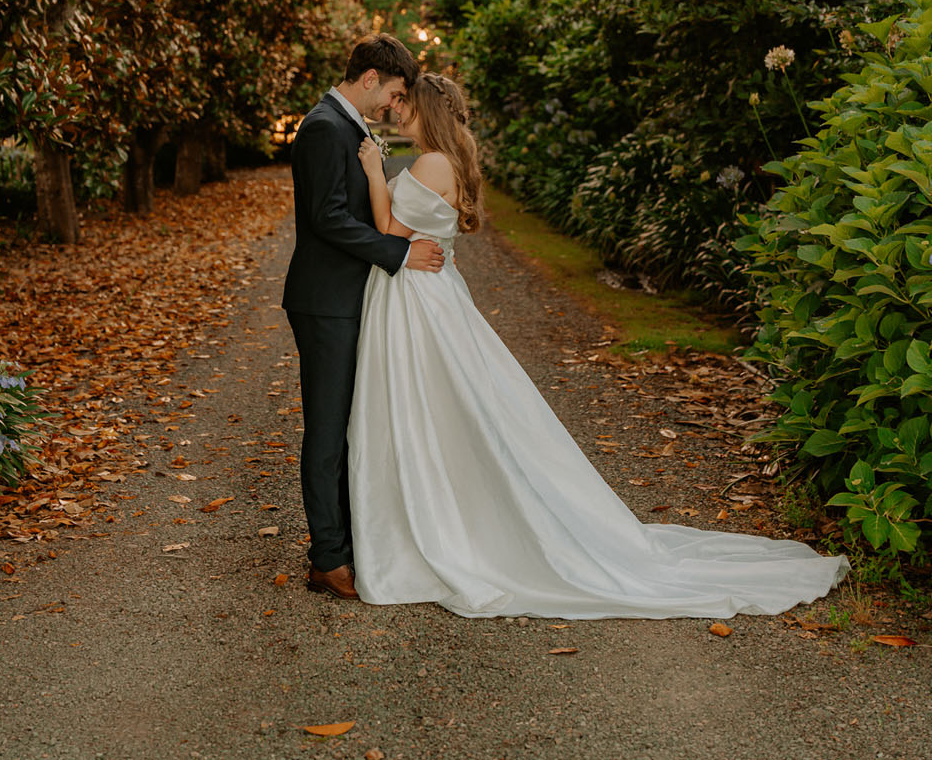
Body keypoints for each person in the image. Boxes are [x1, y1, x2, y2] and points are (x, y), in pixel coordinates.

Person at [349, 72, 850, 620]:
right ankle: (436, 510)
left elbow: (387, 227)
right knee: (444, 411)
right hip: (427, 293)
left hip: (419, 300)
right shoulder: (445, 160)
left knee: (434, 408)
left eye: (407, 104)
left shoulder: (431, 163)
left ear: (428, 111)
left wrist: (375, 170)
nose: (399, 112)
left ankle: (442, 521)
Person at [282, 34, 444, 600]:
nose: (393, 106)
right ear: (371, 76)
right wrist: (399, 254)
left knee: (352, 424)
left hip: (347, 300)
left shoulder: (347, 124)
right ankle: (327, 558)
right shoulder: (324, 127)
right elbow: (326, 219)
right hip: (325, 302)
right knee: (327, 430)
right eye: (394, 93)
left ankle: (349, 541)